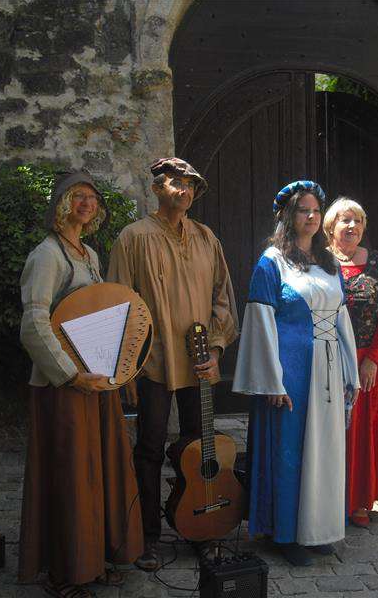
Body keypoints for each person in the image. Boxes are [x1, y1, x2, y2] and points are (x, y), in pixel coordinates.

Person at [107, 158, 239, 569]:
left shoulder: (205, 237)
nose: (184, 191)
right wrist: (127, 367)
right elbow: (120, 304)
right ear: (156, 189)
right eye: (175, 184)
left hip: (199, 363)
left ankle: (200, 527)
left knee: (200, 448)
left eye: (190, 185)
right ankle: (148, 536)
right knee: (148, 448)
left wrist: (215, 351)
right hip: (153, 364)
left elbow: (223, 298)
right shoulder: (133, 238)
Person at [18, 171, 143, 598]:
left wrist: (116, 370)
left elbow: (100, 313)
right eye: (78, 196)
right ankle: (66, 571)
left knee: (100, 470)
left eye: (91, 197)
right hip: (65, 386)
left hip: (96, 380)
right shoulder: (47, 256)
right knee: (73, 474)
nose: (86, 203)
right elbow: (34, 322)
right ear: (62, 204)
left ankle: (93, 559)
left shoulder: (88, 253)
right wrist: (70, 374)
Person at [233, 181, 360, 567]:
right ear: (289, 216)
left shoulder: (328, 263)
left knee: (324, 450)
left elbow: (341, 319)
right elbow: (259, 321)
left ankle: (317, 529)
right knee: (288, 453)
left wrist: (349, 372)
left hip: (327, 365)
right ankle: (286, 533)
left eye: (315, 210)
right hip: (290, 372)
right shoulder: (271, 262)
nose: (310, 216)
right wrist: (271, 381)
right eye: (303, 210)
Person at [323, 197, 378, 528]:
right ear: (330, 227)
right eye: (345, 220)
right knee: (329, 433)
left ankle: (359, 501)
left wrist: (374, 360)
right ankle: (327, 500)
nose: (352, 226)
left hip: (366, 361)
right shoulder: (317, 261)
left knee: (362, 433)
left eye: (357, 220)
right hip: (326, 359)